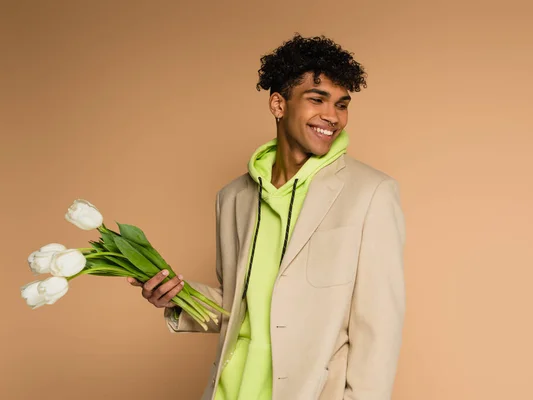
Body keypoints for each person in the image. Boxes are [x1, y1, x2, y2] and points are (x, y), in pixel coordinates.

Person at [127, 33, 406, 400]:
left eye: (341, 104)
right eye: (317, 99)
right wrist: (178, 297)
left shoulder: (370, 194)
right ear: (278, 104)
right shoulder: (233, 198)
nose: (332, 116)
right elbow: (241, 305)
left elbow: (379, 329)